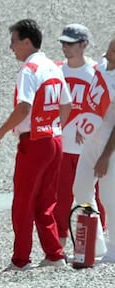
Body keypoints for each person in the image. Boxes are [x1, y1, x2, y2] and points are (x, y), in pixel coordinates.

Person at [0, 19, 72, 270]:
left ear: (27, 42)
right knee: (46, 201)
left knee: (23, 202)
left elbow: (24, 107)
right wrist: (56, 127)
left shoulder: (29, 69)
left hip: (35, 140)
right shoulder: (54, 66)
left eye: (14, 41)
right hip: (54, 138)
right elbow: (66, 105)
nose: (11, 47)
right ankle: (54, 254)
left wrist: (0, 132)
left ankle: (21, 260)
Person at [53, 24, 108, 254]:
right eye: (63, 43)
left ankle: (98, 242)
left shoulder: (97, 72)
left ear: (84, 44)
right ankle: (61, 245)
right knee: (61, 195)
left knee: (96, 195)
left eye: (71, 43)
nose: (66, 47)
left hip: (90, 147)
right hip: (63, 146)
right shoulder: (56, 70)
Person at [73, 37, 115, 263]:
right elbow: (91, 101)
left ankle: (113, 248)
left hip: (111, 145)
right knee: (80, 188)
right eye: (111, 46)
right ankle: (95, 243)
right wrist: (82, 125)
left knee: (110, 197)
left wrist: (106, 157)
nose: (110, 51)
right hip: (91, 139)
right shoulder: (100, 67)